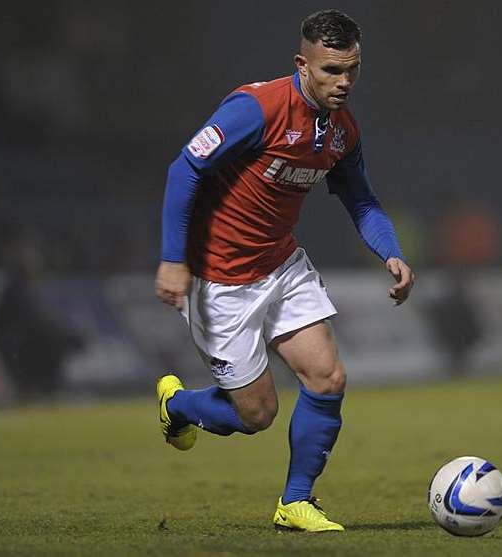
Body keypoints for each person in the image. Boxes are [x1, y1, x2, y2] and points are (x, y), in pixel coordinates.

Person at [154, 10, 414, 532]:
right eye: (331, 71)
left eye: (353, 70)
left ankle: (296, 502)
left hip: (281, 265)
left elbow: (361, 199)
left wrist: (391, 251)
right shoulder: (255, 109)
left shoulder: (341, 129)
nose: (343, 83)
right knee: (256, 415)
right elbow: (184, 168)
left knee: (327, 378)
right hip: (220, 279)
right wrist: (173, 258)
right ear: (303, 63)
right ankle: (178, 405)